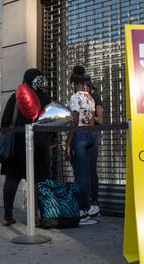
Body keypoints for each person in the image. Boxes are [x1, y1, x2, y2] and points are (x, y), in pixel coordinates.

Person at [0, 69, 51, 226]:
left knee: (11, 180)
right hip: (39, 144)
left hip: (16, 143)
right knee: (38, 182)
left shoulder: (15, 98)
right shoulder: (46, 98)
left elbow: (5, 122)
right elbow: (52, 123)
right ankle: (37, 218)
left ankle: (8, 216)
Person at [65, 71, 97, 225]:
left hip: (79, 136)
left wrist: (68, 143)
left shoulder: (75, 97)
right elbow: (90, 120)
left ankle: (82, 211)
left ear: (73, 84)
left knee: (79, 174)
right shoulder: (90, 98)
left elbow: (75, 120)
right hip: (90, 134)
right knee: (86, 174)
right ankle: (88, 207)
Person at [73, 65, 104, 217]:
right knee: (83, 171)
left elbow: (99, 119)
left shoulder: (94, 97)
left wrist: (85, 115)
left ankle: (93, 203)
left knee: (89, 170)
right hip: (84, 134)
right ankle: (86, 204)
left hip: (91, 134)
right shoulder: (80, 96)